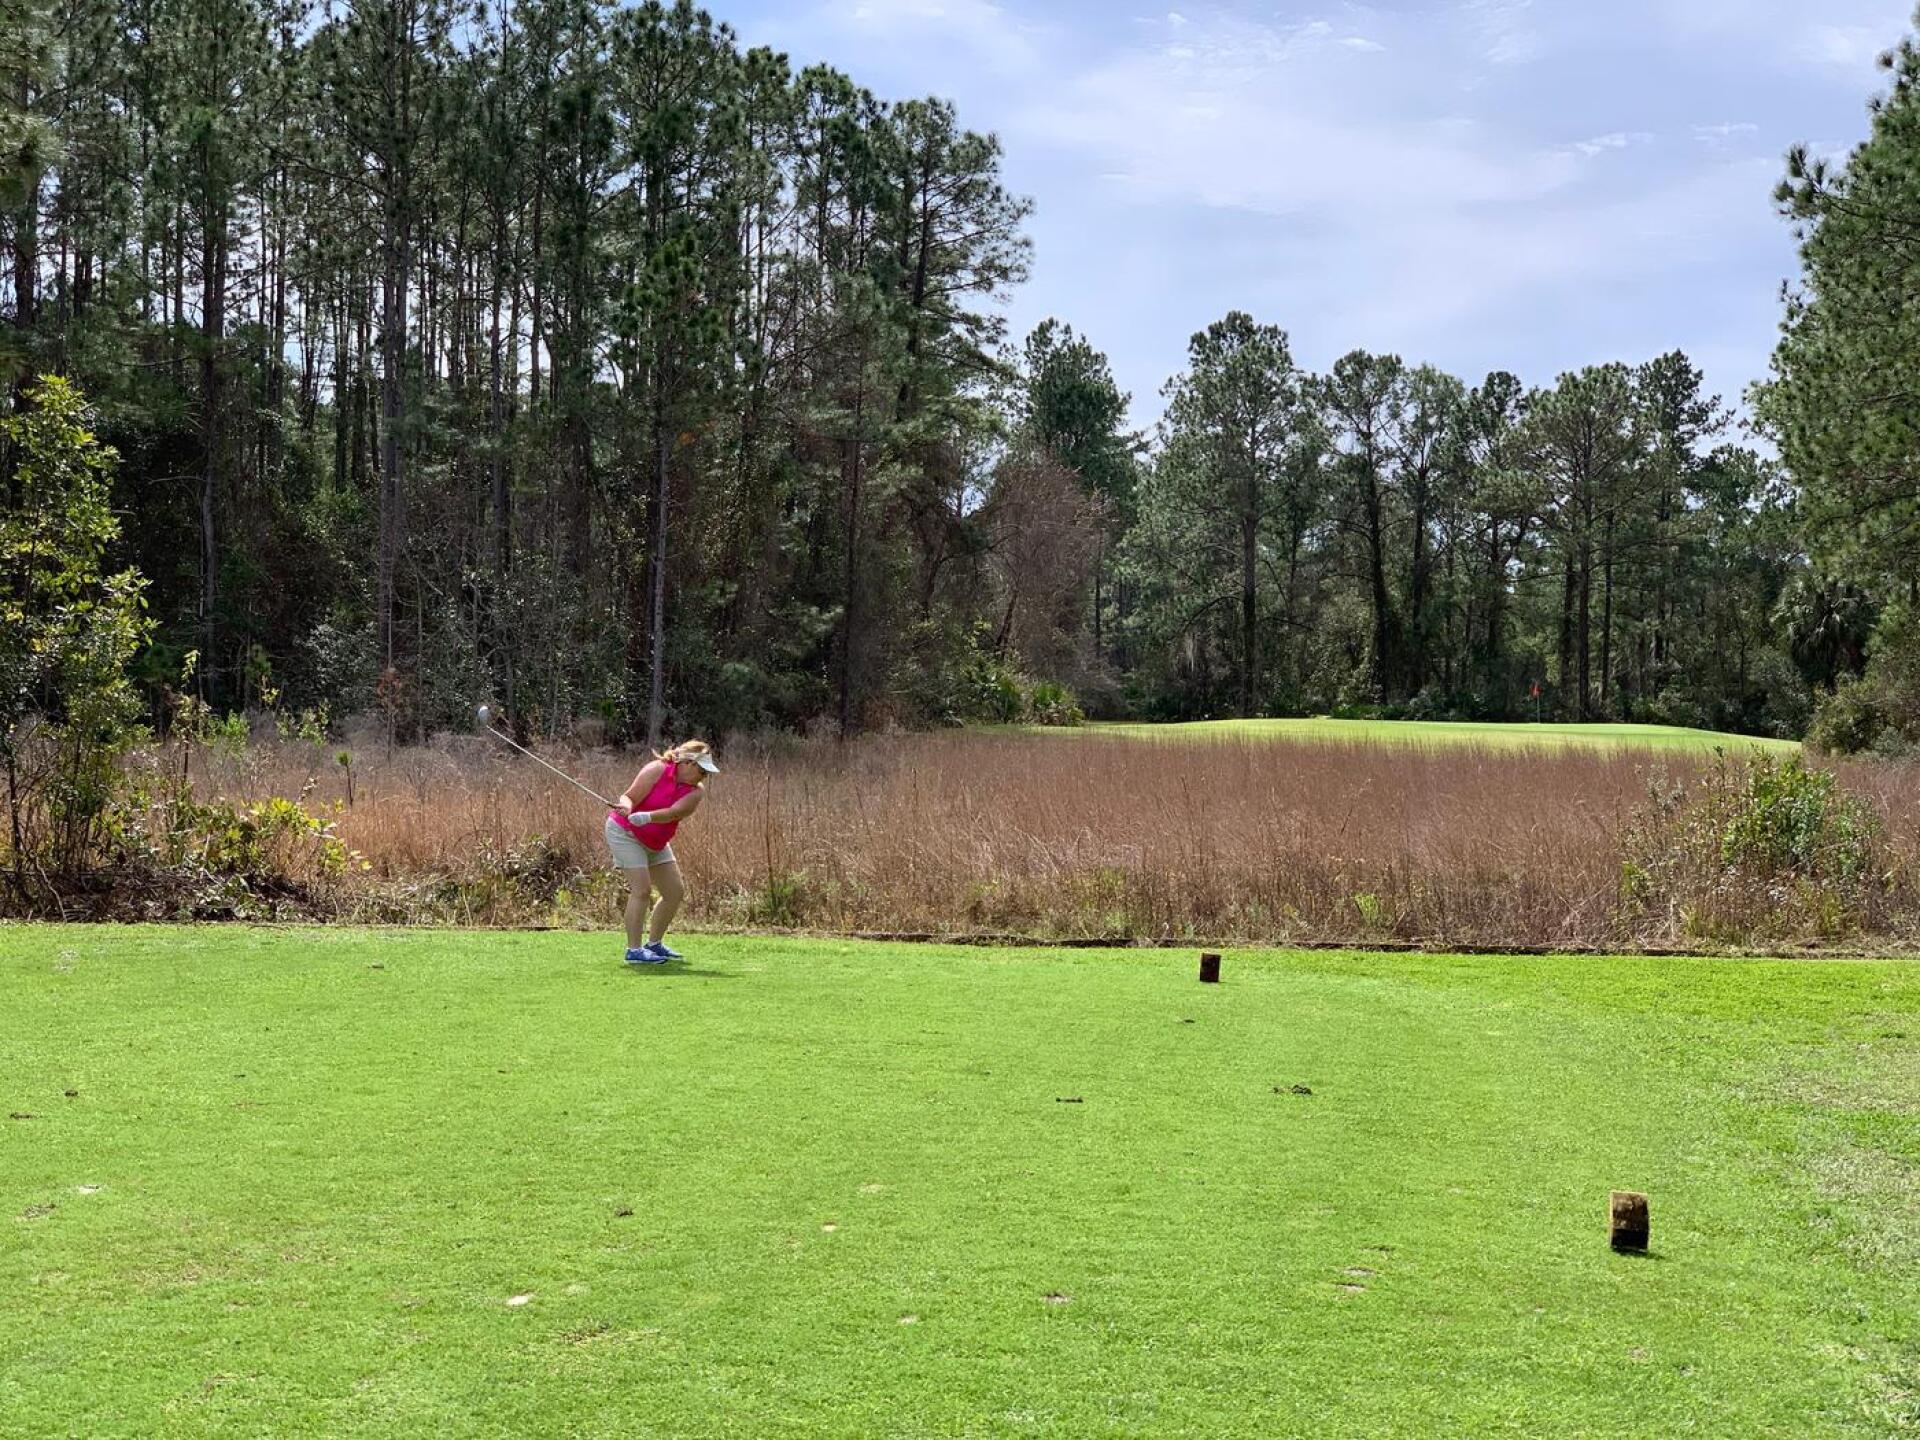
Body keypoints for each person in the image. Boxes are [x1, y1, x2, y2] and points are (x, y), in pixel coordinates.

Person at [605, 740, 718, 964]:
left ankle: (654, 944)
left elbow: (675, 813)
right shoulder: (657, 769)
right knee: (642, 890)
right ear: (687, 763)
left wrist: (647, 817)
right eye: (702, 770)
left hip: (655, 841)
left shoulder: (696, 792)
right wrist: (627, 807)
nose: (704, 776)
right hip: (625, 833)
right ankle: (634, 951)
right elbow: (629, 796)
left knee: (674, 892)